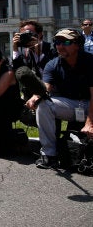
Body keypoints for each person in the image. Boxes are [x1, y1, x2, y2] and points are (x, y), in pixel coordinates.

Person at [31, 28, 93, 169]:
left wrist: (90, 122)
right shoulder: (52, 64)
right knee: (44, 104)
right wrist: (36, 96)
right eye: (57, 42)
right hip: (71, 105)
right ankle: (49, 154)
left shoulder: (90, 62)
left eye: (65, 42)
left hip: (90, 103)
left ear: (78, 44)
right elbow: (46, 87)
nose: (60, 46)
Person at [12, 20, 56, 126]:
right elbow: (18, 71)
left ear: (40, 35)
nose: (27, 37)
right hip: (30, 92)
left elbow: (51, 72)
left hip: (50, 91)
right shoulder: (23, 51)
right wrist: (15, 48)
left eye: (30, 34)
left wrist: (38, 52)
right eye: (24, 34)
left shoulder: (51, 49)